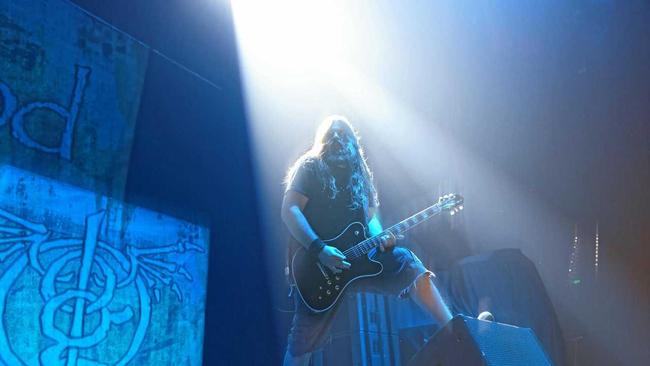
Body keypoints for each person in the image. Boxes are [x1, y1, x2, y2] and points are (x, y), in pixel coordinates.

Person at [281, 115, 475, 366]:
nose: (338, 138)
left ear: (354, 142)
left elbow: (370, 218)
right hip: (316, 265)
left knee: (407, 262)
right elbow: (290, 210)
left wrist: (381, 237)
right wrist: (319, 249)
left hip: (359, 260)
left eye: (344, 134)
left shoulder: (361, 175)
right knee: (302, 344)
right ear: (322, 140)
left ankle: (454, 331)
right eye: (332, 134)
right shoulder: (309, 166)